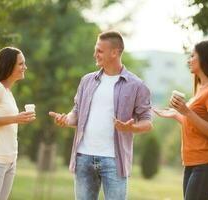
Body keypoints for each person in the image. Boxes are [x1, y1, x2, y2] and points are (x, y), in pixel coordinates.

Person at [48, 31, 153, 200]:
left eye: (99, 51)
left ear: (115, 52)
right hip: (83, 158)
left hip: (114, 161)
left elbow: (147, 122)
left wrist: (131, 127)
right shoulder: (87, 81)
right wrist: (66, 119)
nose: (95, 54)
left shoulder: (136, 85)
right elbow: (76, 112)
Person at [154, 40, 208, 200]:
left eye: (192, 56)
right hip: (193, 163)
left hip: (207, 164)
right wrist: (177, 114)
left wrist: (186, 111)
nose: (189, 60)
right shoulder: (202, 88)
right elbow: (196, 125)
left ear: (205, 59)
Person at [0, 47, 36, 200]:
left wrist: (19, 119)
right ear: (9, 66)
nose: (25, 67)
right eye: (21, 64)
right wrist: (15, 118)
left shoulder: (7, 92)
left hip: (10, 162)